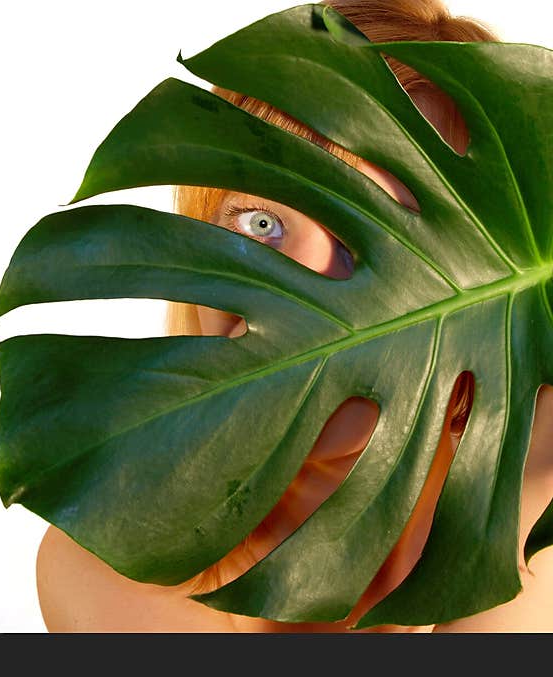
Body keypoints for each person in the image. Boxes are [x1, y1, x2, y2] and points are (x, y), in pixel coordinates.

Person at [35, 0, 553, 632]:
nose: (295, 282)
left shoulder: (533, 539)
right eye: (263, 223)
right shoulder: (98, 569)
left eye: (389, 231)